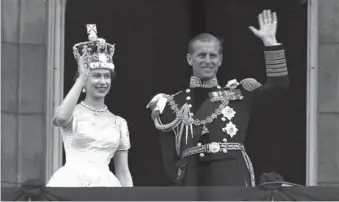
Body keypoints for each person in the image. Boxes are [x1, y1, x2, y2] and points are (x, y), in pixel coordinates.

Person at [147, 10, 289, 186]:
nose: (208, 60)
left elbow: (279, 86)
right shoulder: (171, 103)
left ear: (220, 60)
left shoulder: (238, 95)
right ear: (190, 59)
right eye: (201, 55)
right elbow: (169, 158)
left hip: (232, 178)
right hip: (193, 181)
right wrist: (181, 182)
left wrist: (270, 42)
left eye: (212, 55)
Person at [47, 24, 133, 187]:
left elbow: (123, 171)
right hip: (71, 183)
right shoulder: (72, 112)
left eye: (106, 76)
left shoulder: (119, 123)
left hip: (106, 186)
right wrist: (82, 77)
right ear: (85, 80)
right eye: (96, 76)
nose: (102, 81)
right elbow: (61, 118)